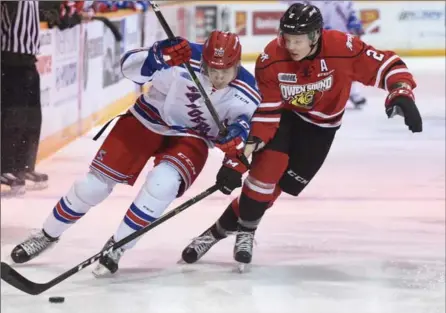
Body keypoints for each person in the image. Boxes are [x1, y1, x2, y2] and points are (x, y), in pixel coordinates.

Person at [181, 3, 422, 269]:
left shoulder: (344, 48)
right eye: (287, 38)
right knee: (264, 175)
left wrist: (401, 93)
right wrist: (239, 160)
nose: (291, 45)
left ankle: (212, 233)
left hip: (321, 131)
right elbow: (267, 114)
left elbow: (388, 65)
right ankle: (246, 233)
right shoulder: (271, 57)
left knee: (270, 193)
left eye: (297, 40)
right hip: (286, 118)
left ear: (316, 35)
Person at [10, 30, 261, 277]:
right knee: (92, 186)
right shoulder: (185, 55)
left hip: (191, 137)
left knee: (162, 185)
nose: (217, 77)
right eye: (211, 69)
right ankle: (46, 235)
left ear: (237, 65)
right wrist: (157, 56)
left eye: (224, 71)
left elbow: (251, 137)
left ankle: (118, 246)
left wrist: (234, 160)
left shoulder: (248, 93)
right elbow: (128, 68)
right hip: (148, 118)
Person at [1, 1, 84, 197]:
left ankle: (23, 165)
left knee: (31, 118)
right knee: (12, 118)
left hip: (29, 61)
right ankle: (5, 167)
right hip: (9, 62)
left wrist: (67, 16)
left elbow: (48, 12)